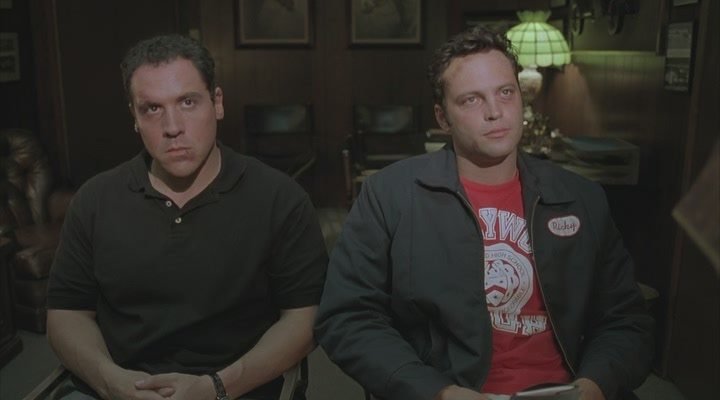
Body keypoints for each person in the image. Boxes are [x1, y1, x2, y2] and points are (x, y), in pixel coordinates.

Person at [314, 26, 654, 400]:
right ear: (443, 118)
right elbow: (347, 318)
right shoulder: (390, 195)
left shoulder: (581, 197)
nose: (495, 112)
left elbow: (626, 320)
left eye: (506, 92)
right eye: (471, 100)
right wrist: (438, 393)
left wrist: (593, 387)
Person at [46, 34, 328, 400]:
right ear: (134, 117)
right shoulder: (95, 200)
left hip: (238, 388)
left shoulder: (280, 199)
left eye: (188, 102)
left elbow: (305, 318)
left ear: (217, 103)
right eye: (152, 108)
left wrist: (217, 387)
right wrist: (111, 381)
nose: (173, 127)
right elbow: (67, 314)